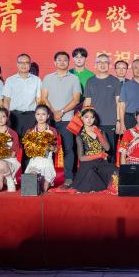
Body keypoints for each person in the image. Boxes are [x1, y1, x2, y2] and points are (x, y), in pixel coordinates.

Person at [40, 51, 83, 185]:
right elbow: (44, 98)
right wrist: (54, 112)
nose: (62, 62)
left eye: (65, 60)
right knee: (48, 148)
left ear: (69, 62)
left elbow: (76, 100)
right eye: (59, 60)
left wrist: (62, 111)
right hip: (50, 119)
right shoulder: (47, 78)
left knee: (68, 149)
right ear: (55, 62)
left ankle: (69, 177)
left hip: (67, 119)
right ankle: (47, 177)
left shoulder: (74, 79)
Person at [83, 53, 123, 162]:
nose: (102, 64)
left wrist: (119, 121)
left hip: (111, 123)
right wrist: (85, 122)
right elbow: (87, 102)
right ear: (95, 65)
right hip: (93, 123)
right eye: (99, 62)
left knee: (110, 153)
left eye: (105, 62)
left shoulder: (115, 81)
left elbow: (119, 103)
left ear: (109, 65)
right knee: (95, 152)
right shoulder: (90, 81)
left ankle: (111, 173)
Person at [73, 108, 117, 193]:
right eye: (86, 117)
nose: (89, 120)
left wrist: (98, 133)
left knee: (115, 172)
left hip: (101, 162)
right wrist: (99, 155)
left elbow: (107, 148)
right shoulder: (80, 135)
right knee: (92, 175)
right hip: (88, 163)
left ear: (94, 119)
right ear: (82, 118)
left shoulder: (100, 131)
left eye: (91, 117)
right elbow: (81, 158)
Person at [2, 53, 42, 138]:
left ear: (30, 65)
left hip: (31, 116)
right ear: (17, 64)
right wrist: (6, 116)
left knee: (31, 142)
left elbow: (38, 100)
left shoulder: (37, 80)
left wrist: (39, 116)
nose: (24, 65)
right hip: (14, 116)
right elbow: (6, 100)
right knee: (14, 141)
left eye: (26, 62)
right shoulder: (10, 80)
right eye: (21, 63)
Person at [23, 105, 59, 188]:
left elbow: (57, 150)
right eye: (38, 114)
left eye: (43, 114)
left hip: (47, 162)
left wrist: (52, 148)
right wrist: (33, 147)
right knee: (30, 187)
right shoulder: (30, 131)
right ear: (35, 115)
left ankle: (46, 181)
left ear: (48, 116)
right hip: (34, 162)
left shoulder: (52, 130)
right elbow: (26, 149)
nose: (40, 117)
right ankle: (36, 178)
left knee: (44, 188)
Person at [0, 107, 21, 192]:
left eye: (3, 116)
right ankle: (4, 178)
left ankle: (9, 179)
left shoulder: (13, 134)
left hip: (9, 162)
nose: (0, 119)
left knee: (0, 163)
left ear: (7, 118)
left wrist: (1, 151)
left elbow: (13, 154)